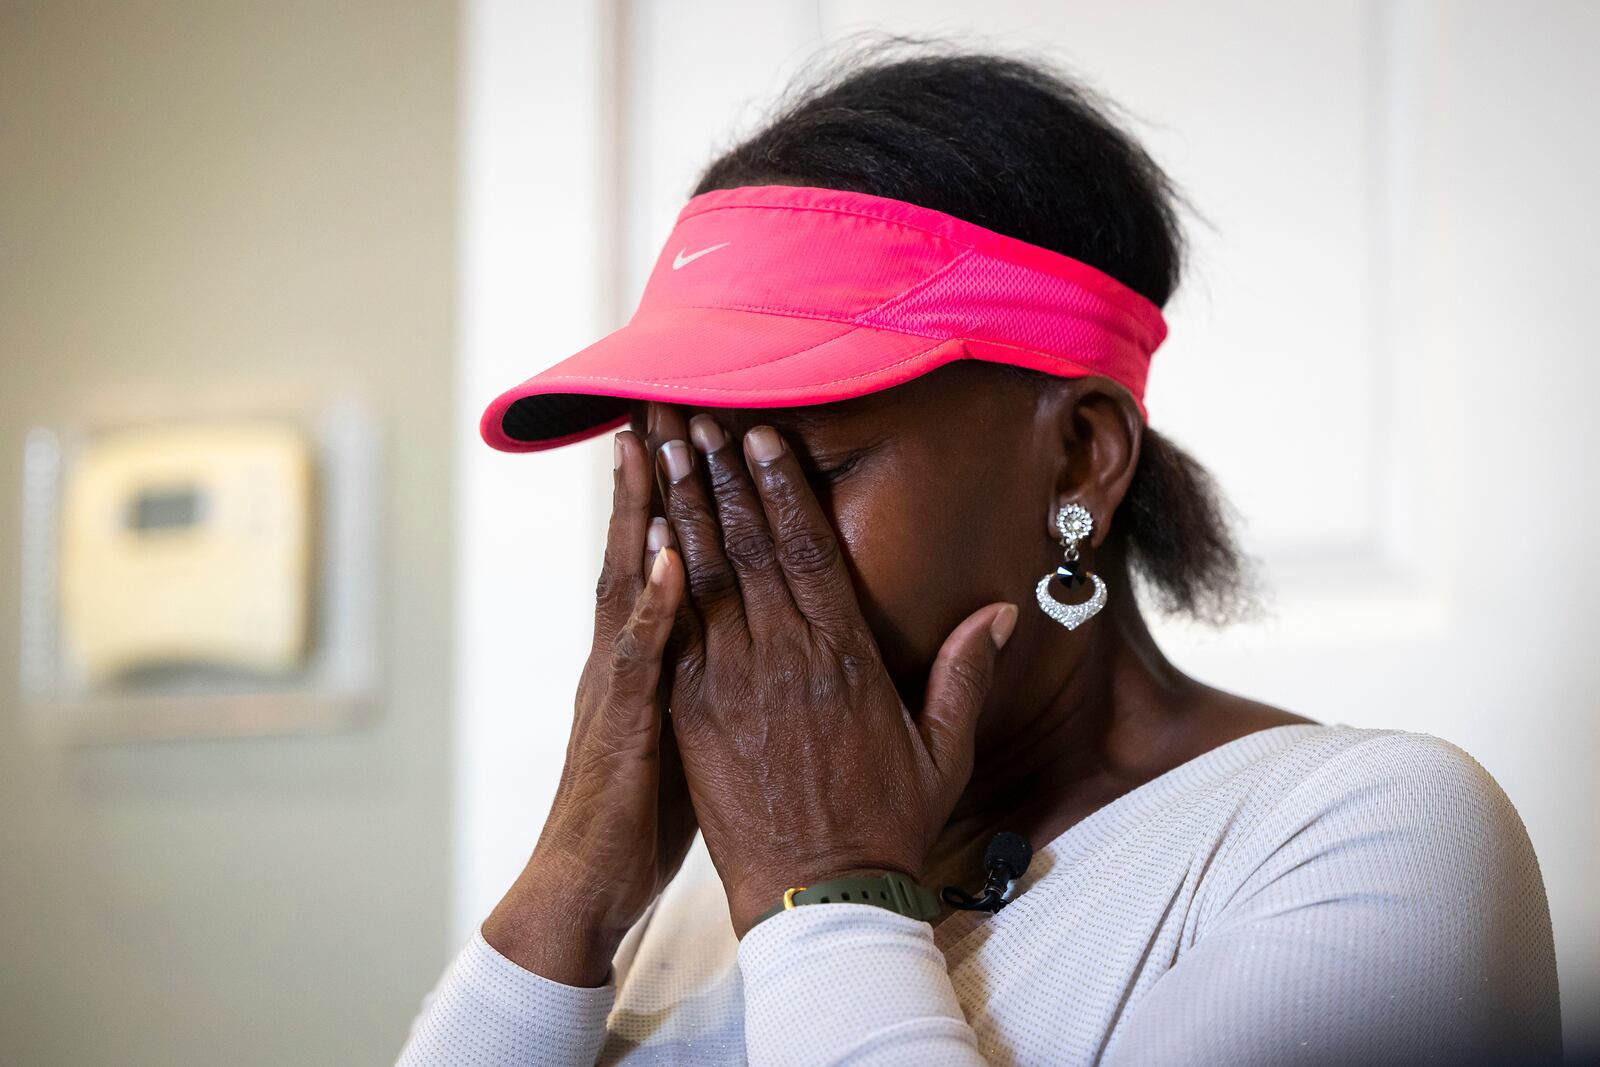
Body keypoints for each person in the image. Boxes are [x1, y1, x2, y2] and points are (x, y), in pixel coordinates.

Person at [396, 40, 1561, 1066]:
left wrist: (830, 897)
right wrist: (567, 896)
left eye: (798, 477)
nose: (711, 559)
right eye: (677, 483)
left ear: (1078, 460)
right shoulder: (687, 886)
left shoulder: (1365, 832)